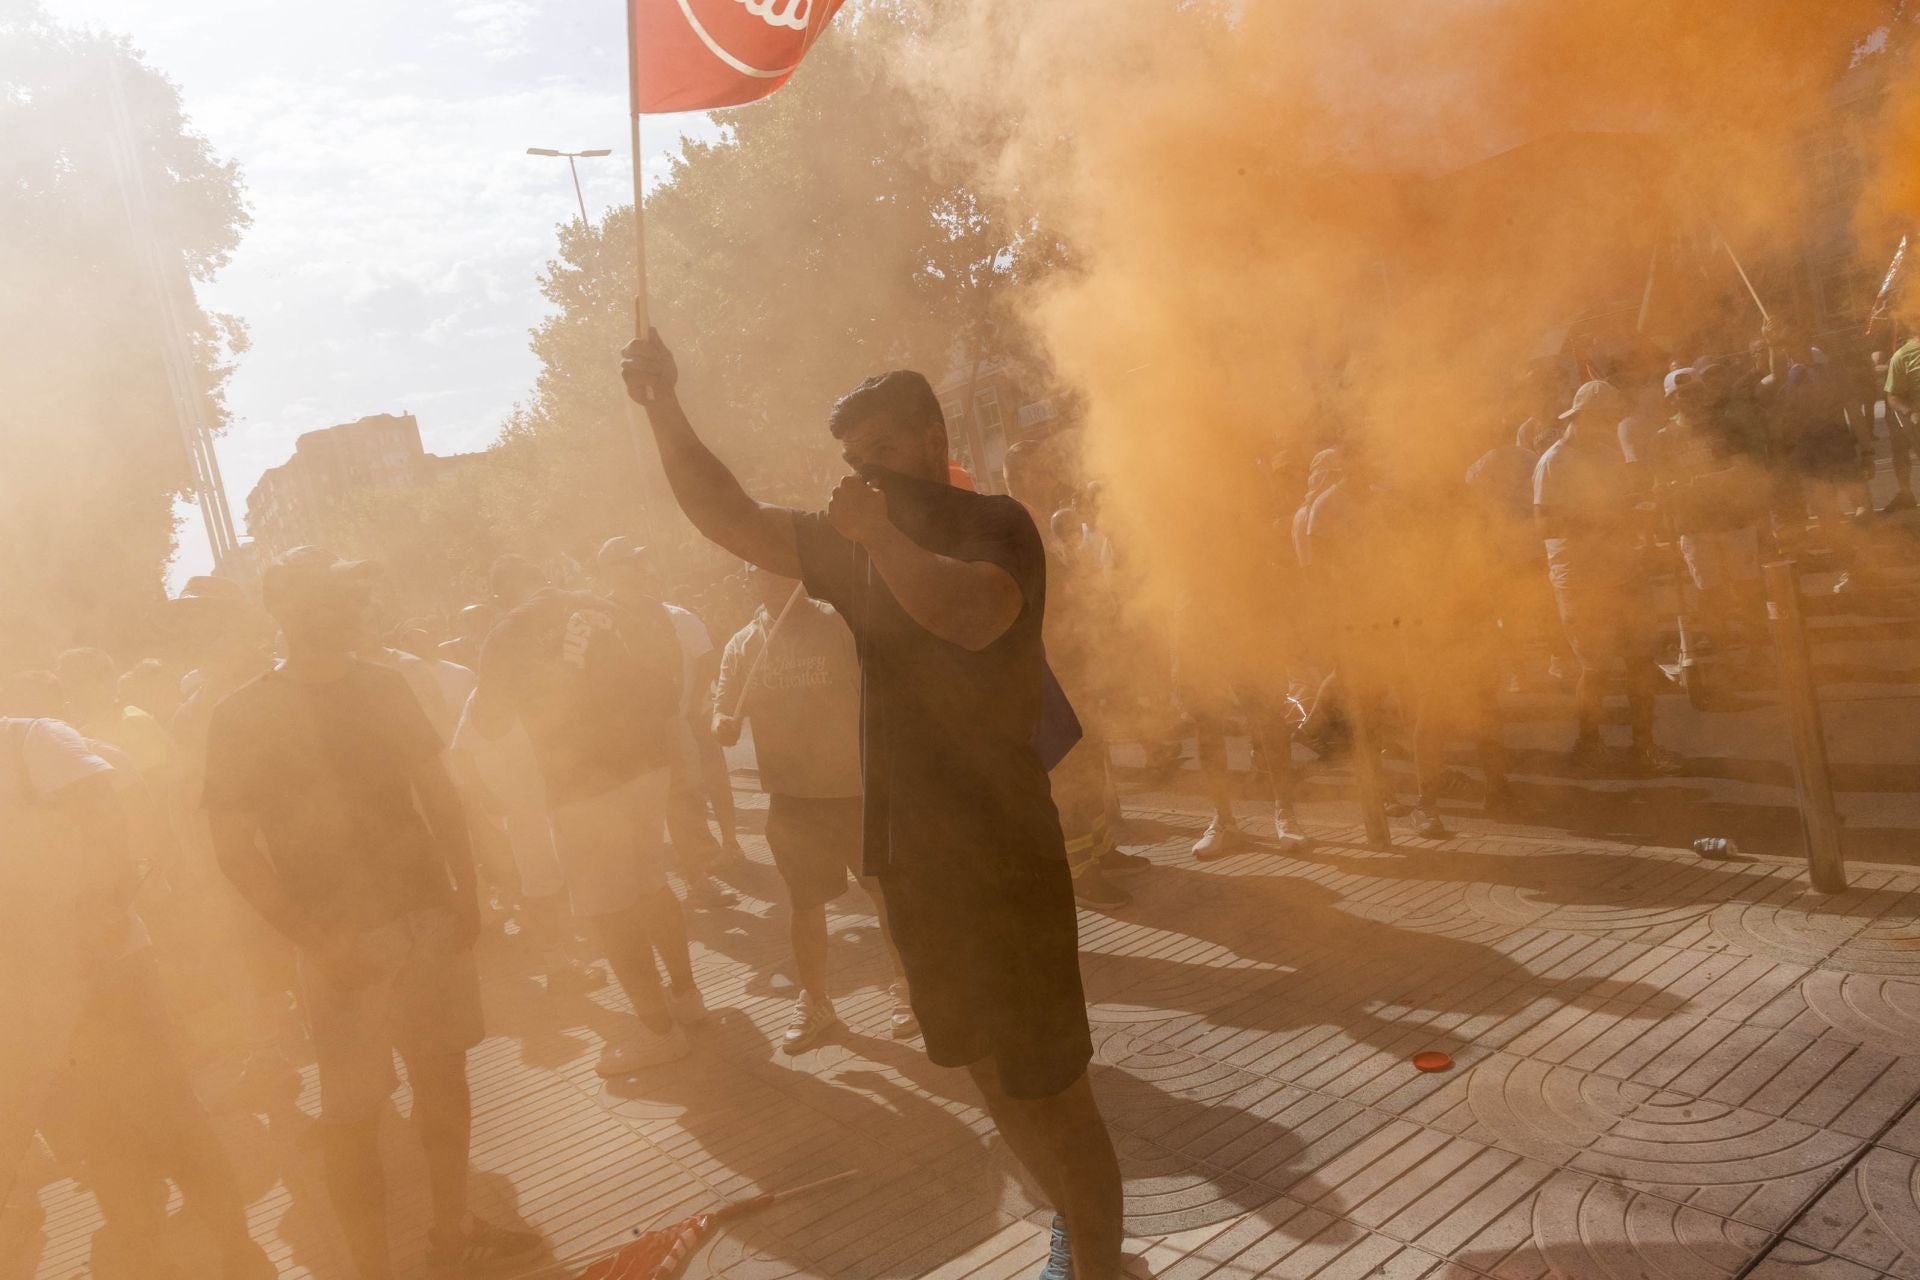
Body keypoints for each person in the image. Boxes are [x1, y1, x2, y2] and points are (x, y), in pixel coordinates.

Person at [622, 332, 1125, 1280]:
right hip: (913, 851)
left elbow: (968, 617)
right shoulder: (850, 544)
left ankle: (1100, 1265)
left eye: (884, 452)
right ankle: (1082, 1236)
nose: (868, 475)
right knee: (981, 1067)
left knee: (1054, 1088)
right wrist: (663, 407)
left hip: (1003, 849)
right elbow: (723, 513)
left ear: (933, 436)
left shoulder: (997, 523)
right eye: (855, 461)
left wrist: (880, 534)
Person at [202, 547, 539, 1278]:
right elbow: (234, 849)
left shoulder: (250, 709)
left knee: (376, 1109)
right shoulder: (277, 706)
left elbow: (237, 850)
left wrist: (463, 895)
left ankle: (427, 1247)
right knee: (394, 1103)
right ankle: (424, 1247)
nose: (344, 610)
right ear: (294, 611)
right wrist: (460, 897)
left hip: (383, 928)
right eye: (332, 596)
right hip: (380, 929)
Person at [2, 714, 273, 1280]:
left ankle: (239, 1257)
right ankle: (149, 1262)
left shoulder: (31, 740)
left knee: (173, 1117)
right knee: (102, 1140)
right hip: (36, 996)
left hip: (110, 975)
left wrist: (97, 928)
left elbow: (107, 820)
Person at [470, 566, 709, 1073]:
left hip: (583, 788)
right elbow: (665, 679)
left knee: (609, 911)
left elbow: (487, 721)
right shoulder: (605, 604)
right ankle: (686, 997)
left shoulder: (508, 633)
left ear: (501, 595)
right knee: (649, 883)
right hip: (648, 765)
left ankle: (657, 1032)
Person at [712, 564, 915, 1050]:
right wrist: (723, 721)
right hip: (792, 799)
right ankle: (816, 1001)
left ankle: (909, 987)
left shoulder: (838, 623)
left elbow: (882, 687)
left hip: (853, 791)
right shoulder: (743, 645)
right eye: (759, 576)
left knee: (885, 894)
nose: (771, 582)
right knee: (803, 905)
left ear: (799, 578)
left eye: (779, 573)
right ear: (750, 584)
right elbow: (722, 708)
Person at [1533, 381, 1685, 776]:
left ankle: (1644, 745)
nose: (1607, 425)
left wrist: (1639, 510)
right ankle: (1587, 744)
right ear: (1580, 417)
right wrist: (1608, 521)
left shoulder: (1605, 452)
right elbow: (1545, 521)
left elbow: (1621, 502)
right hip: (1581, 577)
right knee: (1595, 667)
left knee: (1639, 660)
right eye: (1601, 418)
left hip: (1622, 568)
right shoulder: (1554, 462)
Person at [1881, 324, 1920, 514]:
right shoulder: (1901, 355)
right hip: (1910, 412)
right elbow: (1893, 397)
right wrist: (1909, 412)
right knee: (1899, 449)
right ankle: (1905, 493)